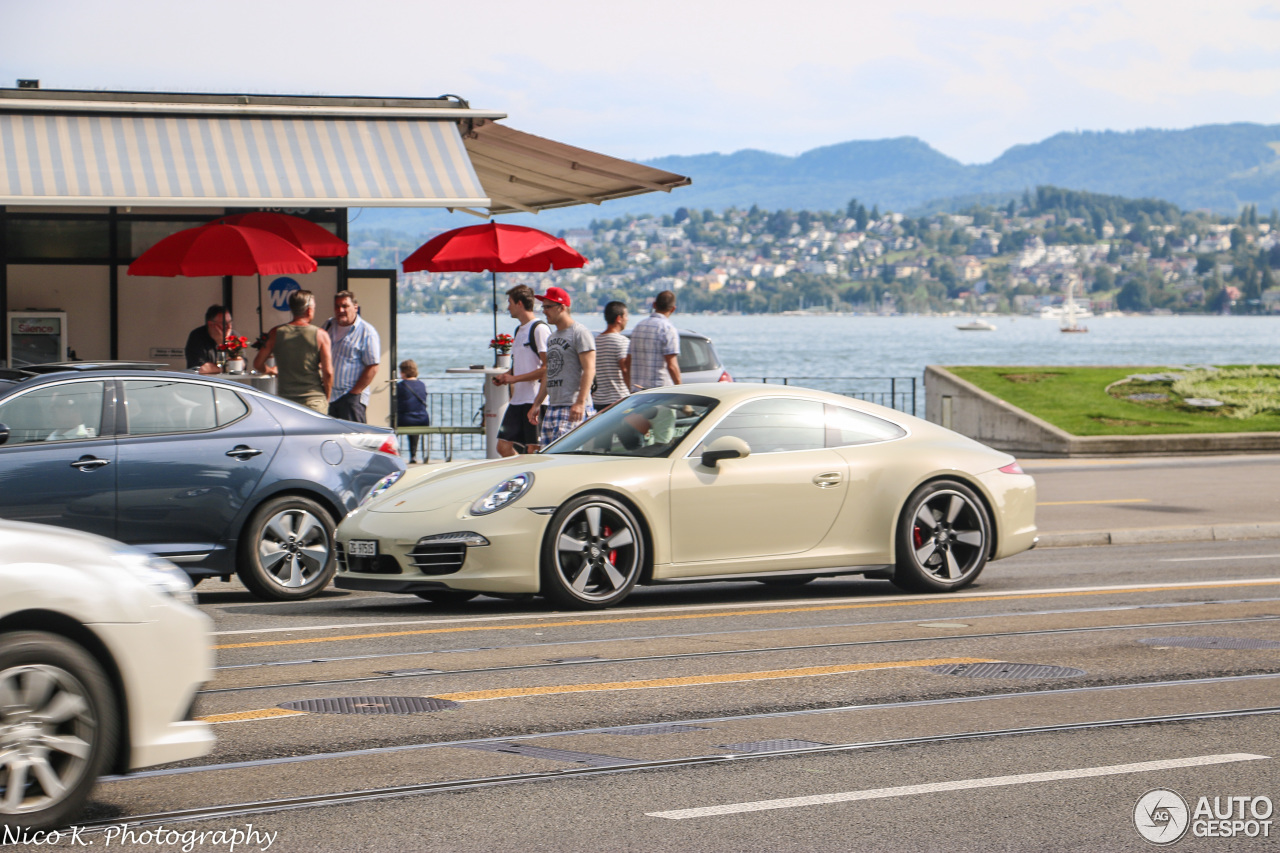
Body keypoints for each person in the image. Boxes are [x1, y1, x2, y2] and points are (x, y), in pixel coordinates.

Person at [529, 286, 595, 447]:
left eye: (548, 307)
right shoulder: (552, 337)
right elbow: (549, 373)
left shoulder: (579, 333)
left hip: (572, 406)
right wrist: (537, 403)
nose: (544, 311)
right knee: (549, 458)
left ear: (562, 307)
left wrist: (580, 402)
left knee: (568, 458)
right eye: (543, 307)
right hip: (554, 405)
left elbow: (589, 369)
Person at [492, 285, 550, 456]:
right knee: (502, 447)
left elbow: (548, 368)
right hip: (518, 400)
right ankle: (520, 476)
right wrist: (507, 376)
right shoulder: (519, 330)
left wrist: (515, 379)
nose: (507, 307)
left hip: (534, 399)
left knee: (533, 450)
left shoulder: (539, 329)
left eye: (509, 303)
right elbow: (521, 364)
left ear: (519, 303)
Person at [253, 290, 333, 412]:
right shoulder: (321, 335)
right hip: (314, 401)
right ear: (309, 310)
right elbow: (328, 372)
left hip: (286, 403)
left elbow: (257, 364)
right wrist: (326, 397)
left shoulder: (276, 333)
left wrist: (270, 370)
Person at [323, 290, 381, 423]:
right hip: (329, 396)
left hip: (351, 398)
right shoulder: (328, 325)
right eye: (337, 306)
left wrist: (355, 392)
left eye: (345, 306)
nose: (340, 310)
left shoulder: (367, 332)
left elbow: (373, 366)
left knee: (353, 439)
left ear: (355, 307)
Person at [629, 290, 681, 390]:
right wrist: (680, 389)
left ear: (654, 305)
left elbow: (628, 360)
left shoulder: (638, 327)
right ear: (673, 309)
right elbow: (672, 365)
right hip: (659, 391)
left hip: (637, 390)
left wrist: (629, 387)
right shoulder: (668, 329)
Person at [592, 300, 630, 411]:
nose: (627, 319)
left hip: (598, 400)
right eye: (626, 316)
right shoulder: (622, 341)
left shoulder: (595, 341)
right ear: (619, 318)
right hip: (618, 399)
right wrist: (631, 391)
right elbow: (625, 369)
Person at [396, 359, 430, 463]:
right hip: (422, 419)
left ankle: (394, 453)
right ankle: (413, 455)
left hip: (405, 419)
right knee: (414, 430)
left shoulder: (400, 386)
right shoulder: (422, 384)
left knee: (391, 426)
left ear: (403, 372)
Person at [184, 305, 232, 375]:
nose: (229, 327)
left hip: (228, 384)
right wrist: (226, 368)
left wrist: (225, 343)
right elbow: (200, 368)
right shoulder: (197, 336)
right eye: (224, 323)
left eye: (230, 322)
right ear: (211, 324)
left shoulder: (234, 336)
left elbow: (241, 365)